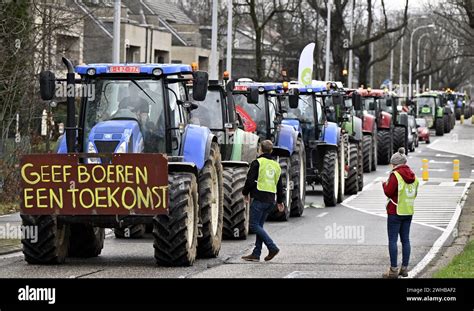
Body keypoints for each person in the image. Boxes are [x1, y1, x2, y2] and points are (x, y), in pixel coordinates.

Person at [241, 140, 284, 262]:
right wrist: (280, 201)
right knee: (259, 226)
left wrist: (245, 193)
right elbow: (279, 186)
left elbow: (250, 181)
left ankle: (272, 247)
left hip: (259, 198)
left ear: (260, 149)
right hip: (271, 201)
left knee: (254, 225)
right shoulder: (276, 165)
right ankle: (256, 253)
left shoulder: (257, 162)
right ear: (271, 151)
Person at [382, 147, 419, 278]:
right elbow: (414, 194)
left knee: (392, 240)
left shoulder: (395, 175)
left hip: (395, 212)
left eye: (392, 164)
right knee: (406, 240)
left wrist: (383, 185)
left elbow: (388, 192)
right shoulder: (414, 176)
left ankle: (393, 270)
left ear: (395, 164)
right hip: (408, 212)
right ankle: (404, 269)